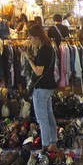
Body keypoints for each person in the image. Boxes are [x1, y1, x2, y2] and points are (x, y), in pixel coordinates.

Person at [22, 24, 58, 152]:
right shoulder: (49, 48)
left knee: (42, 118)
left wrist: (28, 59)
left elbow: (38, 71)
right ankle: (52, 142)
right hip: (49, 86)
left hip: (41, 87)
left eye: (31, 38)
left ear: (37, 37)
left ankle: (45, 145)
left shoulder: (44, 50)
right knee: (49, 115)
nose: (31, 41)